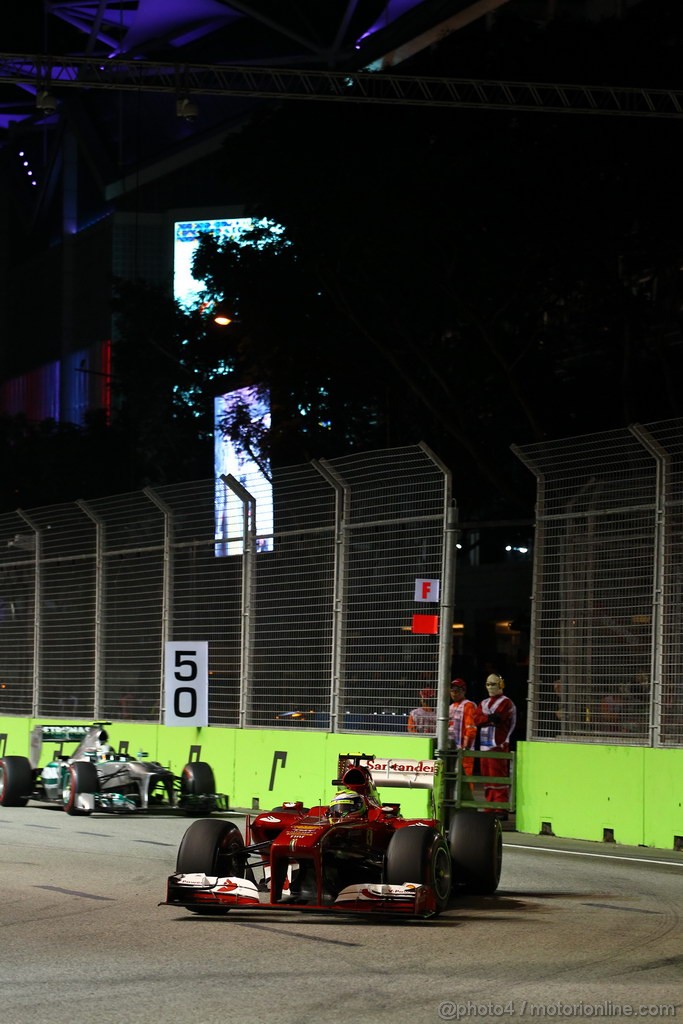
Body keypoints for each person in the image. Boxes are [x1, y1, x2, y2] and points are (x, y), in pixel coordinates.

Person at [474, 673, 517, 812]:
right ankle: (490, 806)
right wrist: (489, 718)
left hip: (498, 745)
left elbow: (498, 717)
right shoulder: (484, 702)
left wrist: (485, 718)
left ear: (501, 685)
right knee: (487, 778)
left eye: (493, 684)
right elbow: (476, 719)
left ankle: (500, 808)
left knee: (497, 778)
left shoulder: (506, 702)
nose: (490, 687)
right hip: (485, 746)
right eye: (488, 684)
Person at [448, 678, 477, 787]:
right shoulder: (450, 707)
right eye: (452, 690)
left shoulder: (468, 705)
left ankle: (466, 802)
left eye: (457, 690)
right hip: (451, 750)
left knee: (465, 778)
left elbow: (471, 729)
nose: (454, 693)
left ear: (463, 691)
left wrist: (466, 748)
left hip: (463, 751)